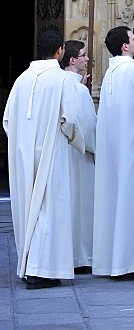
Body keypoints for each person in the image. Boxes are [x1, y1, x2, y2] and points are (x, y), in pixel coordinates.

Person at [3, 28, 84, 289]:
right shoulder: (62, 80)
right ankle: (42, 270)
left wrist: (22, 140)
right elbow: (70, 119)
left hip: (24, 154)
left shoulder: (21, 80)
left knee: (29, 207)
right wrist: (74, 140)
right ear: (60, 51)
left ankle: (28, 265)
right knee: (50, 209)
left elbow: (6, 120)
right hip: (53, 151)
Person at [93, 26, 134, 278]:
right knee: (132, 202)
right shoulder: (133, 71)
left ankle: (115, 260)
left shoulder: (110, 73)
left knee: (117, 201)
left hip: (115, 147)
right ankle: (130, 262)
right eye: (133, 38)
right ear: (124, 47)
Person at [60, 40, 97, 274]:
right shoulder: (79, 90)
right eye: (83, 56)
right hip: (80, 153)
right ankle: (82, 255)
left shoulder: (59, 84)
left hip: (63, 153)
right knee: (82, 204)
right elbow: (89, 127)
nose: (87, 60)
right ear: (72, 60)